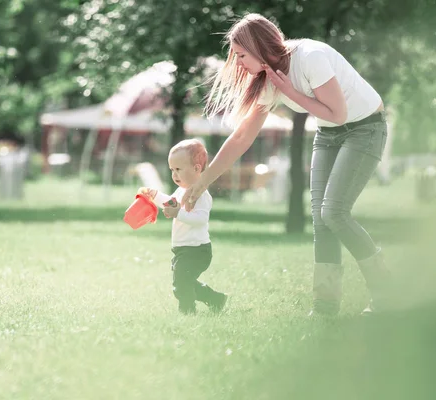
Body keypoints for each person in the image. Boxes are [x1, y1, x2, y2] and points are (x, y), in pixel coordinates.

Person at [182, 13, 391, 316]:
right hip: (329, 135)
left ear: (258, 46)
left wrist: (290, 92)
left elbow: (338, 114)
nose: (238, 63)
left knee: (334, 212)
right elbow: (241, 138)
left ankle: (386, 291)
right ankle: (325, 307)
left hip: (365, 128)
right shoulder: (268, 79)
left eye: (241, 55)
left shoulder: (311, 58)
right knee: (321, 219)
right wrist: (203, 182)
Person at [140, 139, 228, 315]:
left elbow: (201, 219)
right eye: (172, 170)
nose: (174, 174)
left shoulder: (202, 195)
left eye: (178, 169)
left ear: (196, 169)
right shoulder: (181, 191)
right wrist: (155, 195)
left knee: (181, 284)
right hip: (182, 249)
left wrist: (177, 213)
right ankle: (215, 299)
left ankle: (187, 312)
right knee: (184, 281)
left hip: (197, 251)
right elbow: (170, 203)